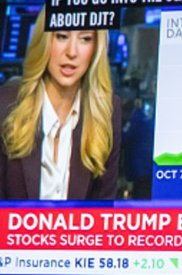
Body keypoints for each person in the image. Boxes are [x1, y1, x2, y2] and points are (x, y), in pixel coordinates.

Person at [0, 9, 120, 200]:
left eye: (85, 39)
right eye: (62, 36)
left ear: (96, 48)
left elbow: (102, 212)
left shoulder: (107, 111)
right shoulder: (6, 105)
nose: (71, 52)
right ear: (45, 41)